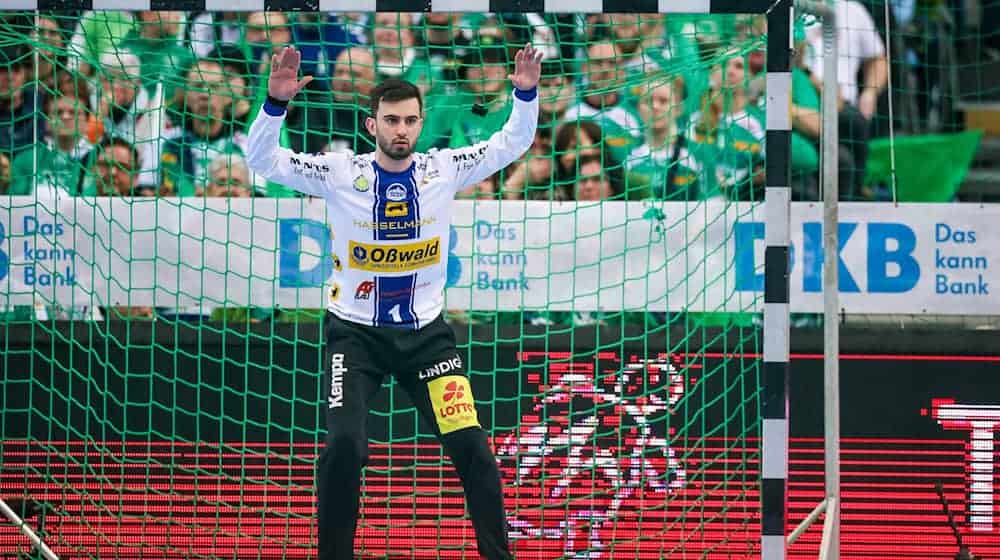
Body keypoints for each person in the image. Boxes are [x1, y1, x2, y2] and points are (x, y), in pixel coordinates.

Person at [245, 45, 542, 560]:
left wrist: (525, 93)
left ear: (421, 124)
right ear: (370, 126)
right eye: (390, 120)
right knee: (345, 448)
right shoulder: (339, 173)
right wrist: (274, 106)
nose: (400, 130)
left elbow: (511, 142)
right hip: (354, 337)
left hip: (427, 340)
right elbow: (262, 160)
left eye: (409, 120)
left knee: (471, 446)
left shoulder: (443, 169)